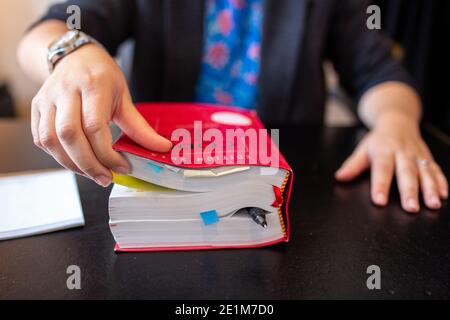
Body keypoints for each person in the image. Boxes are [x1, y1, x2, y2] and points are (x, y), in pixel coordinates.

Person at [18, 0, 447, 213]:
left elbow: (379, 72)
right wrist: (71, 54)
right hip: (159, 187)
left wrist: (395, 121)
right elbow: (50, 29)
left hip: (279, 195)